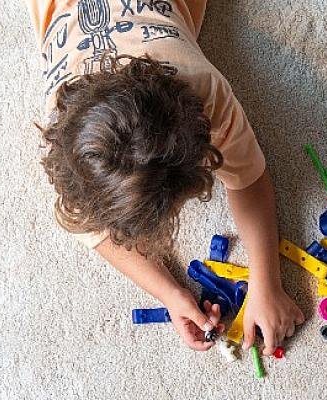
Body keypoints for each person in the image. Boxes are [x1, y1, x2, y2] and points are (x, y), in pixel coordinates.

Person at [27, 0, 304, 354]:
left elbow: (249, 179)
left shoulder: (204, 91)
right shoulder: (66, 134)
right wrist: (171, 294)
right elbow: (94, 231)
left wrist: (267, 283)